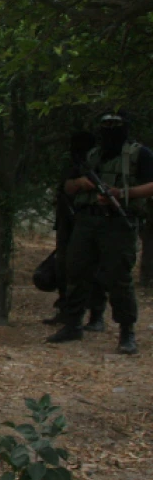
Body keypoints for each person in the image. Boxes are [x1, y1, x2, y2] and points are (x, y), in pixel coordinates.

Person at [46, 110, 153, 354]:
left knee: (118, 277)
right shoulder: (92, 155)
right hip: (87, 222)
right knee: (76, 271)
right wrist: (82, 184)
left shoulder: (139, 154)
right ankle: (73, 325)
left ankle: (127, 332)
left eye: (116, 125)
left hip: (118, 223)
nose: (110, 130)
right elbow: (68, 187)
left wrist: (122, 194)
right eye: (106, 124)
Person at [42, 131, 107, 330]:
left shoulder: (100, 162)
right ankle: (65, 309)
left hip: (90, 220)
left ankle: (96, 315)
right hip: (67, 219)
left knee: (93, 269)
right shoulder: (71, 164)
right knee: (63, 266)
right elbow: (65, 187)